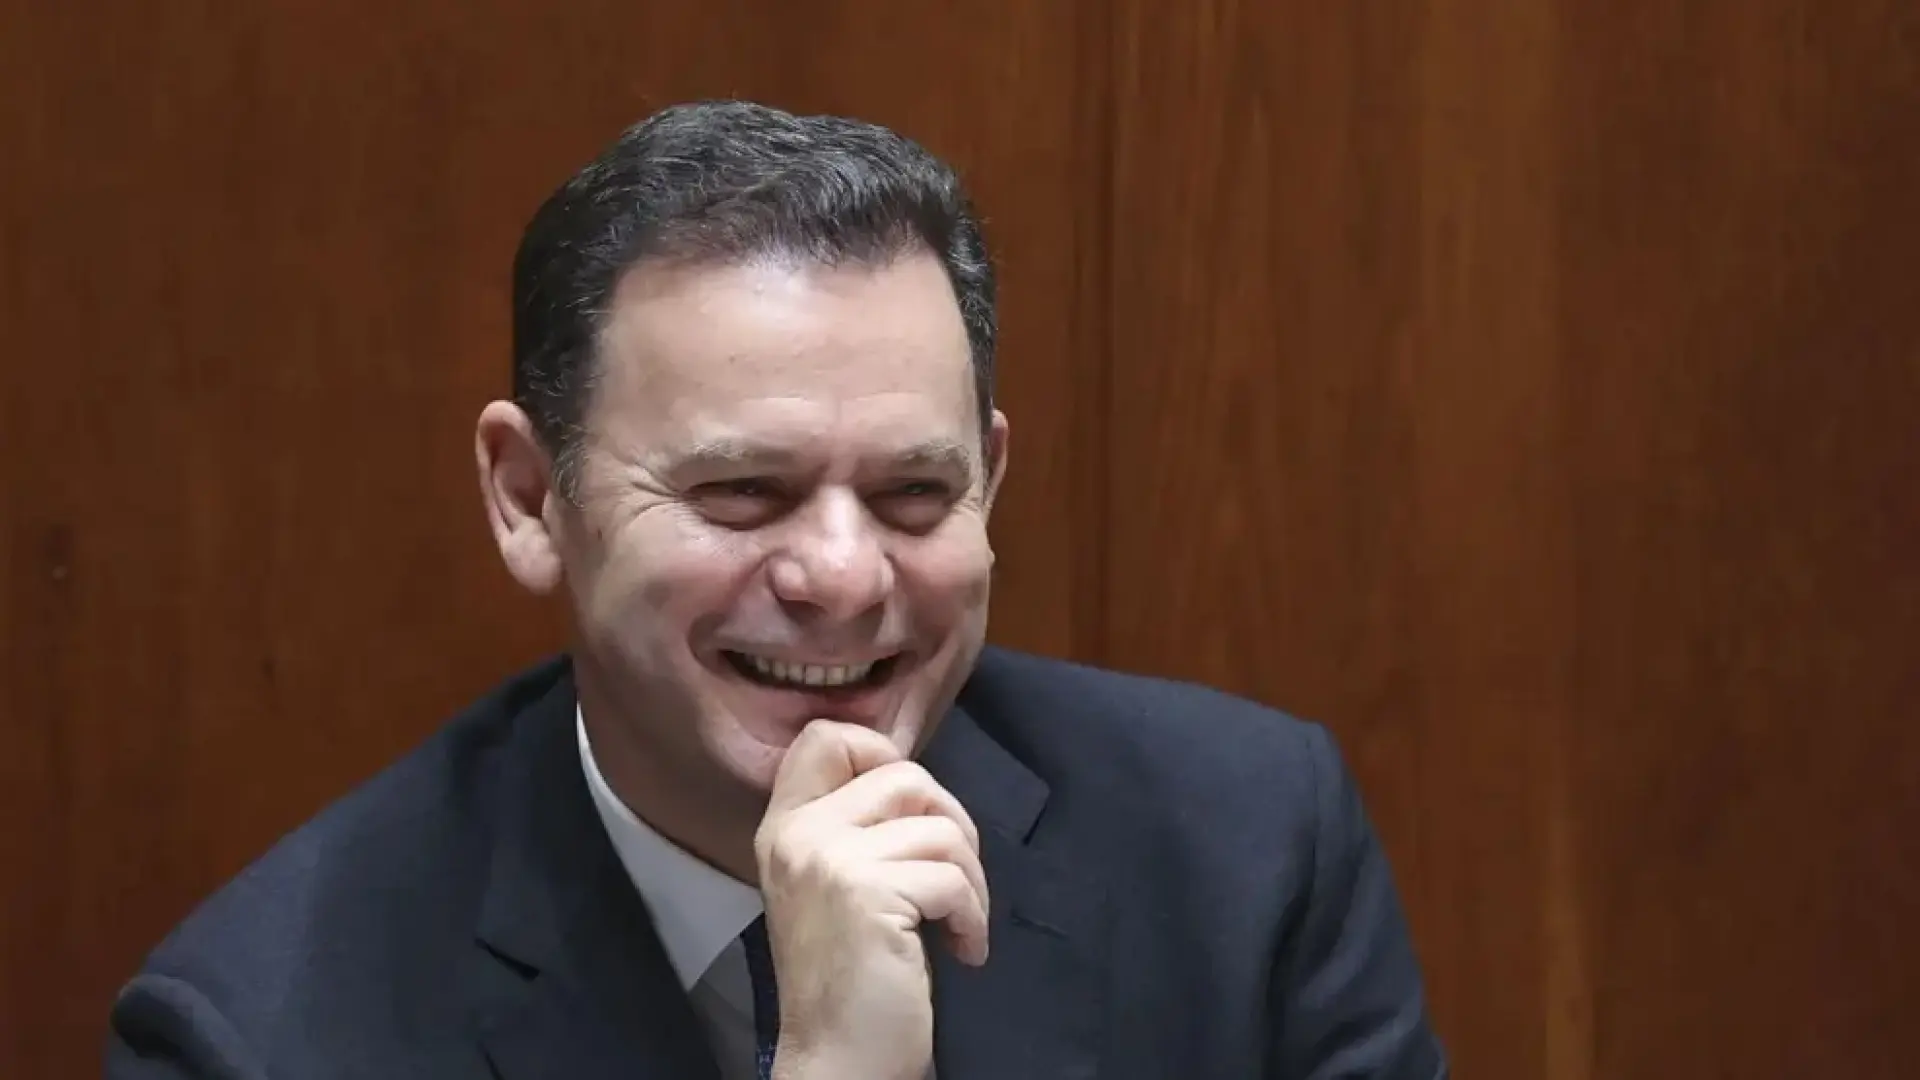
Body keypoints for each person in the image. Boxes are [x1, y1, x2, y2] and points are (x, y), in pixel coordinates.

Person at [105, 100, 1448, 1080]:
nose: (843, 577)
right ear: (528, 498)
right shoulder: (261, 1034)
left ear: (988, 485)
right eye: (743, 492)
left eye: (914, 493)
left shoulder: (1248, 857)